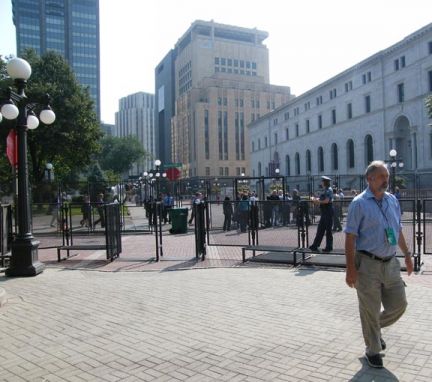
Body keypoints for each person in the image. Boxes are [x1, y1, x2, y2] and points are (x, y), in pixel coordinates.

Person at [344, 160, 413, 369]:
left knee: (399, 305)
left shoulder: (392, 200)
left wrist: (407, 255)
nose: (386, 180)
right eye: (382, 176)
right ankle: (372, 350)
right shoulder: (359, 203)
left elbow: (397, 230)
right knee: (369, 309)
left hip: (390, 263)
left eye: (387, 176)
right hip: (367, 264)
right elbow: (350, 238)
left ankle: (373, 328)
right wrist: (350, 269)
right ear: (369, 179)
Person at [309, 176, 334, 252]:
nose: (321, 182)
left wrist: (317, 200)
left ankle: (329, 247)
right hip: (324, 211)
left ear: (325, 182)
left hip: (328, 211)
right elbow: (322, 200)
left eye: (322, 181)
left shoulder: (328, 190)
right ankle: (315, 245)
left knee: (328, 231)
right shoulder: (325, 190)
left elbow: (326, 201)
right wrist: (316, 200)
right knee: (320, 229)